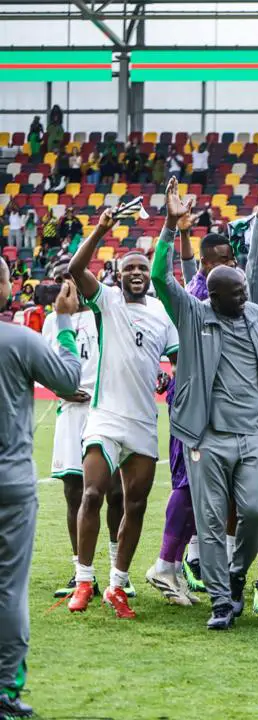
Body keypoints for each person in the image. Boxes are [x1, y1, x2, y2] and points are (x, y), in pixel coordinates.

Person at [151, 177, 258, 629]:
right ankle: (220, 601)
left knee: (255, 512)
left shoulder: (254, 313)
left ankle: (235, 576)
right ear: (213, 297)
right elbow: (160, 278)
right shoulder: (193, 314)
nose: (244, 297)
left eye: (244, 291)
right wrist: (170, 226)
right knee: (212, 521)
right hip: (208, 436)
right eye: (235, 294)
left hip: (254, 434)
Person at [66, 206, 180, 618]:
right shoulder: (108, 301)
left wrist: (170, 379)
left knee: (135, 506)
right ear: (118, 274)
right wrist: (100, 229)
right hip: (106, 416)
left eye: (142, 268)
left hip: (143, 422)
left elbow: (178, 360)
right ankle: (83, 580)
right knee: (92, 493)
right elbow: (76, 269)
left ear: (149, 275)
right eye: (129, 267)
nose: (136, 272)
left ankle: (117, 585)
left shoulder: (163, 314)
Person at [0, 266, 82, 719]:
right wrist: (64, 321)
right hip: (10, 482)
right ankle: (4, 691)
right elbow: (69, 380)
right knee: (9, 589)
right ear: (5, 288)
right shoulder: (20, 340)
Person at [41, 264, 126, 600]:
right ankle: (81, 573)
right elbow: (44, 365)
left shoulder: (103, 312)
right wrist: (58, 387)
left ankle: (118, 572)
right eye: (61, 280)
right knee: (74, 492)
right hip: (71, 413)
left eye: (72, 279)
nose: (67, 286)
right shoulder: (53, 321)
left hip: (103, 410)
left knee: (115, 492)